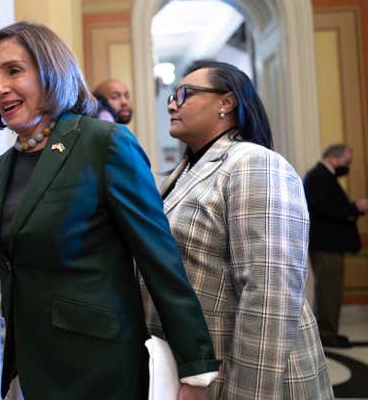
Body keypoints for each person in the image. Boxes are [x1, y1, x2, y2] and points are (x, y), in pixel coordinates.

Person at [0, 22, 220, 400]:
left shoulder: (104, 143)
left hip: (102, 367)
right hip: (33, 367)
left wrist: (194, 371)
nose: (0, 87)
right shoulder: (4, 167)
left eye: (14, 71)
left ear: (50, 72)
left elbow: (159, 259)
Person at [141, 60, 333, 399]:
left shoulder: (254, 162)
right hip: (199, 366)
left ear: (225, 103)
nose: (172, 103)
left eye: (184, 94)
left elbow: (270, 294)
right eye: (173, 95)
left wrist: (248, 394)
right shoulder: (183, 171)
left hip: (246, 372)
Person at [303, 144, 368, 348]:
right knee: (329, 290)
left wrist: (353, 209)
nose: (347, 166)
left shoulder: (323, 176)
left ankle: (328, 331)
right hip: (326, 245)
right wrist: (354, 207)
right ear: (332, 157)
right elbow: (327, 209)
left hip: (329, 245)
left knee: (330, 289)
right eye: (346, 162)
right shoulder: (319, 176)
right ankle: (326, 334)